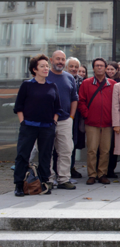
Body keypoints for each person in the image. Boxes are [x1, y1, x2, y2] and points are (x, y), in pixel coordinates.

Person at [13, 54, 61, 197]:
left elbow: (57, 107)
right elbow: (18, 106)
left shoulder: (52, 86)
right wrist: (23, 122)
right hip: (29, 125)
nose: (46, 68)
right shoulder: (27, 85)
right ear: (34, 69)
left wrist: (54, 121)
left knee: (46, 155)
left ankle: (44, 182)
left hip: (47, 127)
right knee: (23, 155)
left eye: (47, 66)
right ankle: (19, 185)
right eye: (42, 66)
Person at [78, 58, 116, 185]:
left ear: (106, 68)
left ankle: (102, 173)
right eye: (97, 66)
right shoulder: (86, 83)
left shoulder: (112, 84)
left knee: (105, 150)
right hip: (92, 122)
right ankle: (92, 174)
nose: (99, 68)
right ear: (93, 68)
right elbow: (81, 101)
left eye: (101, 66)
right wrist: (86, 114)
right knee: (92, 150)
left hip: (107, 122)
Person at [45, 50, 78, 190]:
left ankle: (64, 179)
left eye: (63, 59)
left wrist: (71, 117)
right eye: (57, 59)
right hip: (46, 121)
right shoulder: (45, 76)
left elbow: (74, 99)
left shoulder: (69, 77)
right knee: (47, 151)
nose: (60, 62)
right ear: (51, 60)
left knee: (66, 150)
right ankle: (49, 179)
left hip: (65, 120)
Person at [65, 57, 84, 179]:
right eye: (71, 66)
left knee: (73, 143)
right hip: (64, 115)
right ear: (67, 67)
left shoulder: (83, 81)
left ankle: (71, 167)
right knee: (63, 144)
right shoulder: (62, 79)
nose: (74, 69)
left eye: (76, 67)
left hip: (78, 117)